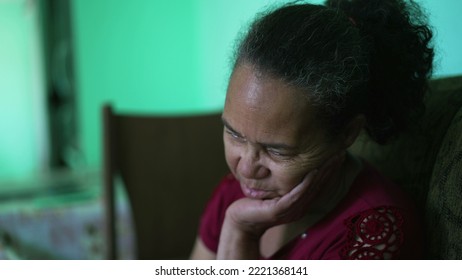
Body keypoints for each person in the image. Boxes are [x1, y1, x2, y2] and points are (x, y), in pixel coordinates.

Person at [190, 0, 434, 260]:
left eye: (276, 151)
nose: (246, 169)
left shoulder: (375, 233)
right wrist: (236, 222)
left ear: (346, 134)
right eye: (235, 134)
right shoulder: (234, 192)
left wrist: (241, 232)